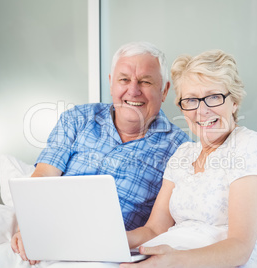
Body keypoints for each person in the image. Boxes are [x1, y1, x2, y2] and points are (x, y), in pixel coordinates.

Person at [11, 41, 190, 264]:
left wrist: (107, 243)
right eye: (124, 80)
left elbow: (158, 227)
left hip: (111, 254)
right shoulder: (77, 119)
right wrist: (28, 229)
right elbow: (42, 177)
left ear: (164, 90)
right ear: (111, 83)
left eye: (145, 81)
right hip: (50, 238)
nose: (133, 90)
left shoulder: (180, 147)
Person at [123, 50, 257, 267]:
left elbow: (240, 248)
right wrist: (113, 239)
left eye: (213, 97)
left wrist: (173, 261)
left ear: (233, 101)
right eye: (191, 100)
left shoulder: (249, 146)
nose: (202, 110)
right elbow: (154, 230)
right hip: (166, 258)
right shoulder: (183, 154)